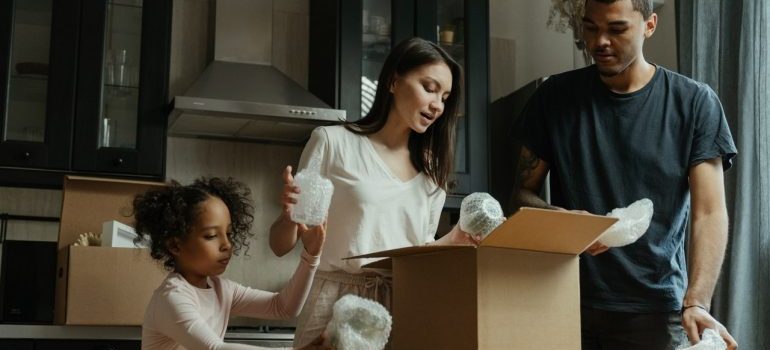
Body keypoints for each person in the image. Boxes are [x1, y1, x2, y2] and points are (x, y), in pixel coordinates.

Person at [515, 0, 739, 349]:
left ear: (649, 25)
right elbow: (519, 195)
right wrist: (565, 221)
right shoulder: (553, 98)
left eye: (617, 29)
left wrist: (697, 300)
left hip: (654, 309)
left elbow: (709, 212)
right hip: (563, 300)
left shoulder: (695, 103)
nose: (599, 41)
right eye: (591, 27)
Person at [269, 37, 477, 348]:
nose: (438, 105)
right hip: (334, 304)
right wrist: (289, 216)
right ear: (394, 81)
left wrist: (457, 239)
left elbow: (417, 252)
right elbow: (280, 245)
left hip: (400, 310)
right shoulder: (332, 142)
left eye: (445, 97)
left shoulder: (432, 172)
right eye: (429, 88)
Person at [135, 177, 329, 350]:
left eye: (228, 234)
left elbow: (283, 307)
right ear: (175, 245)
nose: (227, 244)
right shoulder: (171, 298)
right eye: (211, 235)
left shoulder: (222, 290)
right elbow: (214, 348)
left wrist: (311, 255)